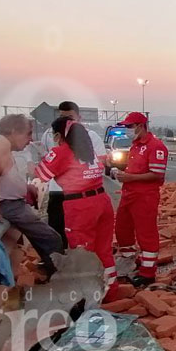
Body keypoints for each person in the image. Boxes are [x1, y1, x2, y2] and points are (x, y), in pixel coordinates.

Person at [35, 116, 119, 300]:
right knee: (103, 248)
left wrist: (41, 155)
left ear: (58, 135)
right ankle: (111, 290)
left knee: (82, 252)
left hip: (80, 206)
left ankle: (88, 295)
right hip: (101, 200)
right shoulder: (87, 150)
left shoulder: (62, 151)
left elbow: (40, 175)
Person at [0, 115, 63, 276]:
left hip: (10, 204)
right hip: (9, 205)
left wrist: (25, 187)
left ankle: (49, 270)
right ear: (14, 131)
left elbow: (2, 177)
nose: (29, 140)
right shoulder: (0, 144)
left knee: (41, 238)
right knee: (52, 239)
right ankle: (61, 275)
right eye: (28, 134)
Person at [39, 101, 106, 250]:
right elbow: (45, 157)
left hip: (82, 194)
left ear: (78, 117)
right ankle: (60, 259)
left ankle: (82, 263)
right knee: (57, 226)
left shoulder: (91, 136)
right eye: (62, 117)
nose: (65, 122)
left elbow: (100, 161)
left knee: (82, 233)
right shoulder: (49, 135)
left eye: (69, 117)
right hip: (57, 190)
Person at [113, 112, 167, 287]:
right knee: (122, 228)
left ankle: (148, 272)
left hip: (145, 196)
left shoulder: (155, 146)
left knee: (146, 233)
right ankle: (130, 262)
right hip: (128, 194)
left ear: (140, 126)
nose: (127, 130)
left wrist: (129, 178)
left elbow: (156, 174)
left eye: (130, 126)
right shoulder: (135, 145)